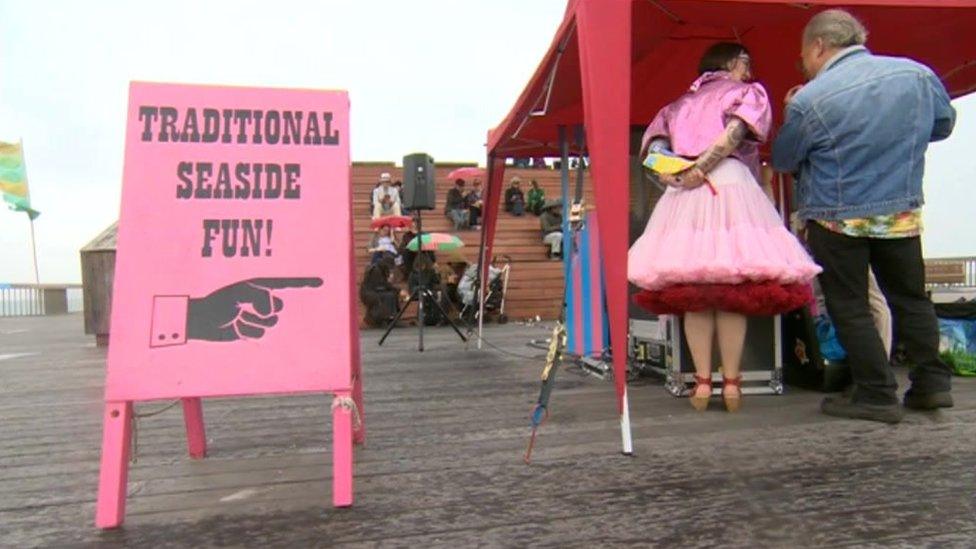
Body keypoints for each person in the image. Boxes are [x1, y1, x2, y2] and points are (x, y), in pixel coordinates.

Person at [772, 9, 956, 423]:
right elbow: (943, 126)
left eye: (804, 56)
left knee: (850, 304)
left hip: (838, 218)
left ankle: (876, 392)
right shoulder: (917, 75)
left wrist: (791, 110)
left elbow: (785, 157)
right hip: (899, 211)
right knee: (910, 299)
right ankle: (931, 384)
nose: (805, 64)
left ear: (819, 46)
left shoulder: (811, 98)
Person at [629, 42, 821, 413]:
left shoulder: (675, 106)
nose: (749, 70)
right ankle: (732, 385)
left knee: (695, 295)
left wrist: (681, 174)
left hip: (685, 195)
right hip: (730, 185)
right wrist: (705, 165)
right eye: (746, 62)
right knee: (733, 293)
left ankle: (701, 384)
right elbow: (735, 132)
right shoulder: (747, 92)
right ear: (735, 62)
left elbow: (653, 153)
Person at [359, 257, 399, 327]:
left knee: (392, 295)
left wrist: (395, 290)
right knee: (387, 296)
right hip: (368, 293)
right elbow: (380, 285)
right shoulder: (376, 270)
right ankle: (381, 318)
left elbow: (383, 285)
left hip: (373, 291)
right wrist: (396, 290)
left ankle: (392, 316)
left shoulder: (381, 269)